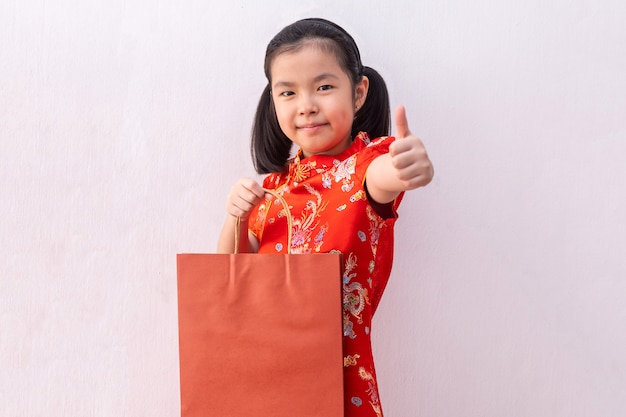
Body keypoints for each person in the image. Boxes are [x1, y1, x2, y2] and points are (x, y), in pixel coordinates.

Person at [217, 17, 434, 417]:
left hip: (338, 390)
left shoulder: (366, 166)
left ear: (358, 93)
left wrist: (407, 167)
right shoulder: (270, 194)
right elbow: (226, 288)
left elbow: (385, 178)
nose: (306, 105)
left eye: (324, 86)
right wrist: (234, 216)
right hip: (259, 387)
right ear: (274, 101)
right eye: (288, 92)